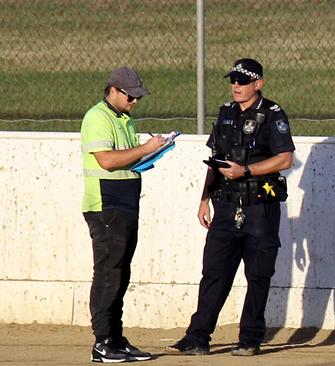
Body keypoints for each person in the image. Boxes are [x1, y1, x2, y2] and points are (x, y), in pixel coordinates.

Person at [166, 58, 294, 356]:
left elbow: (285, 159)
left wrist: (246, 171)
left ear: (258, 84)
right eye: (233, 80)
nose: (236, 86)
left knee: (258, 275)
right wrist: (203, 199)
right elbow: (215, 160)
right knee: (214, 273)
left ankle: (250, 338)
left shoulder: (273, 115)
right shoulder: (225, 114)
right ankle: (197, 337)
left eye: (242, 81)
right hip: (225, 206)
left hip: (259, 207)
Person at [81, 66, 166, 363]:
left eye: (138, 97)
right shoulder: (98, 118)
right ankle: (102, 342)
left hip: (124, 202)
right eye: (131, 96)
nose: (135, 102)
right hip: (106, 205)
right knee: (108, 273)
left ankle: (115, 338)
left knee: (120, 273)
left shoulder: (123, 118)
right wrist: (144, 149)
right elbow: (106, 160)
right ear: (114, 90)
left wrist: (149, 153)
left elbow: (126, 158)